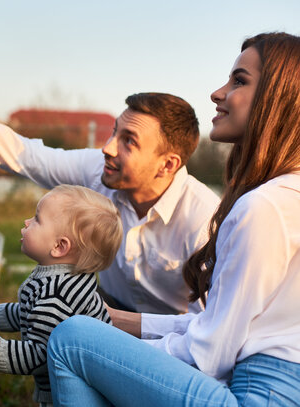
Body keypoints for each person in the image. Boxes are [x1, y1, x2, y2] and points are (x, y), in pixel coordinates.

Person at [46, 32, 300, 406]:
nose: (218, 92)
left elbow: (209, 354)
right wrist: (111, 321)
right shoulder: (285, 197)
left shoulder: (263, 207)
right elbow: (217, 323)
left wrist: (116, 358)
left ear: (277, 100)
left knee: (71, 339)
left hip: (257, 396)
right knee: (88, 332)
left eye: (239, 80)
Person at [0, 47, 220, 316]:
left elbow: (207, 331)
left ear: (167, 164)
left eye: (129, 140)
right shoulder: (99, 170)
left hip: (172, 342)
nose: (108, 147)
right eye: (115, 131)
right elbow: (18, 151)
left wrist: (112, 325)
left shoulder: (204, 220)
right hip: (106, 309)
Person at [0, 184, 122, 406]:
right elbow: (31, 311)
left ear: (59, 246)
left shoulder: (57, 296)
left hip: (73, 392)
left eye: (36, 219)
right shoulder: (62, 278)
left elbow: (40, 354)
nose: (26, 222)